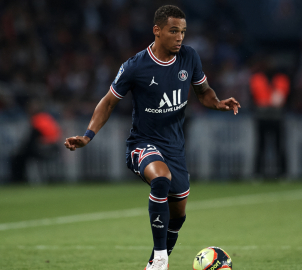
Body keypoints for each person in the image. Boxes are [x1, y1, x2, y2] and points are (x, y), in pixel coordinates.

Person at [64, 5, 240, 270]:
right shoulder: (135, 66)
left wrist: (218, 103)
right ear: (157, 31)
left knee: (177, 217)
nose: (180, 37)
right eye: (173, 31)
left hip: (175, 149)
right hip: (142, 144)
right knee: (161, 179)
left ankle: (152, 264)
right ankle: (160, 259)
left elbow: (204, 92)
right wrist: (88, 136)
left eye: (183, 31)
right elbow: (109, 101)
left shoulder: (189, 57)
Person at [249, 60, 290, 177]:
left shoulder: (281, 79)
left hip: (276, 116)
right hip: (262, 115)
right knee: (260, 145)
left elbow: (285, 96)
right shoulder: (257, 78)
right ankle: (257, 173)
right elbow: (253, 96)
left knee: (279, 145)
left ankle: (283, 173)